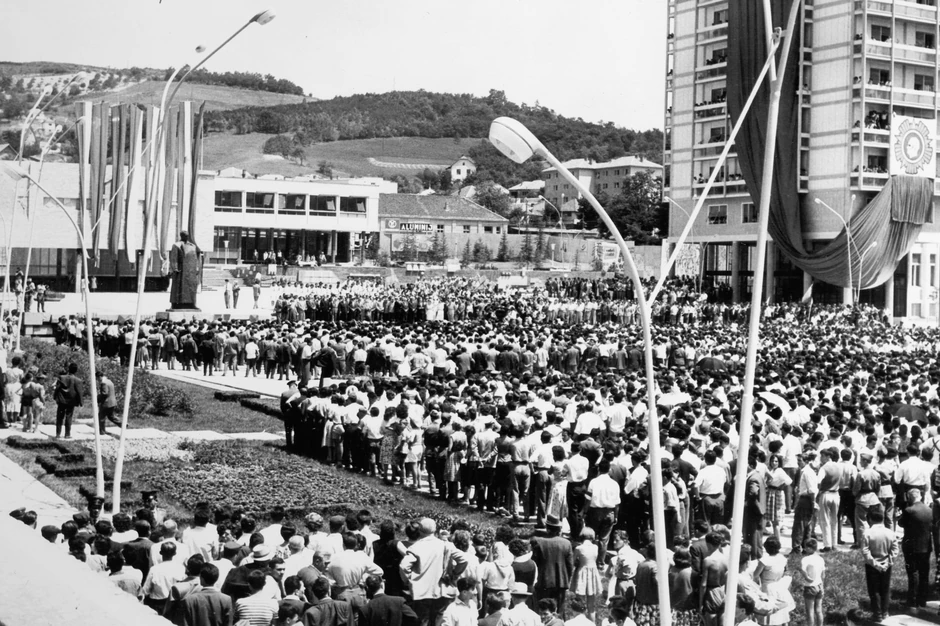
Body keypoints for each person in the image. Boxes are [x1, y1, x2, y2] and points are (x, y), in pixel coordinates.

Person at [400, 518, 467, 626]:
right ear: (435, 530)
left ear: (420, 530)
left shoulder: (416, 547)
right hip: (442, 591)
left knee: (423, 621)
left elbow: (404, 566)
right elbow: (463, 560)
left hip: (422, 592)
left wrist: (408, 580)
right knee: (440, 622)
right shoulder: (446, 545)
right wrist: (454, 574)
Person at [530, 514, 573, 616]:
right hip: (561, 581)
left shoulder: (539, 542)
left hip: (543, 580)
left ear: (547, 528)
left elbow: (534, 562)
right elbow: (570, 565)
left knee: (542, 609)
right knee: (559, 610)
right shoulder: (566, 543)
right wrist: (568, 579)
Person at [898, 488, 932, 609]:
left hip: (911, 547)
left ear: (909, 498)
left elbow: (900, 523)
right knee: (924, 573)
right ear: (920, 496)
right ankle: (922, 600)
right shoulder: (929, 510)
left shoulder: (909, 510)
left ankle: (912, 600)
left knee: (913, 573)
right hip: (926, 546)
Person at [569, 528, 602, 622]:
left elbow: (572, 561)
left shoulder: (579, 548)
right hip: (593, 573)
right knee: (591, 605)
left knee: (579, 602)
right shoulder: (596, 547)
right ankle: (592, 622)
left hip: (582, 574)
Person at [794, 538, 825, 626]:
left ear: (809, 548)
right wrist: (822, 586)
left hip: (810, 587)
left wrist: (801, 571)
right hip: (819, 586)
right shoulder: (820, 559)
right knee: (819, 610)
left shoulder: (805, 560)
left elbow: (808, 578)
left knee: (810, 611)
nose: (804, 549)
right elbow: (823, 575)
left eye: (805, 547)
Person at [169, 231, 203, 310]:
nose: (187, 237)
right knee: (178, 288)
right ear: (181, 236)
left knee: (191, 288)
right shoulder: (176, 245)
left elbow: (196, 258)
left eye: (187, 236)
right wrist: (175, 268)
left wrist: (197, 267)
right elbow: (173, 258)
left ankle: (191, 304)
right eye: (185, 236)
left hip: (191, 271)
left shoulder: (193, 246)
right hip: (181, 271)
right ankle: (175, 304)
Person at [54, 362, 83, 439]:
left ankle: (58, 434)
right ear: (76, 371)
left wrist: (55, 397)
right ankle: (67, 434)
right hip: (71, 401)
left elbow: (57, 388)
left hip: (61, 400)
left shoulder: (61, 377)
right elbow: (79, 392)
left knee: (60, 417)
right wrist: (81, 402)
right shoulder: (78, 380)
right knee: (69, 417)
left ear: (68, 369)